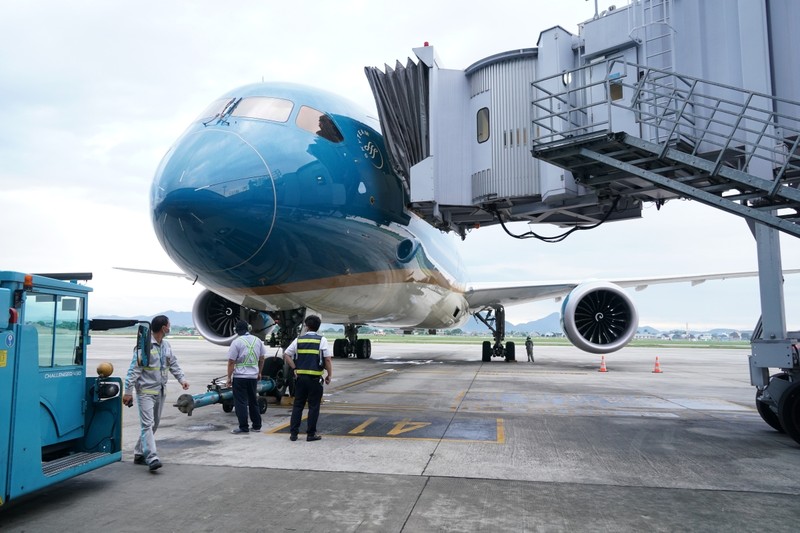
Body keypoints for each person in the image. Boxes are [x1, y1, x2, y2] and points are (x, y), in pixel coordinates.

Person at [123, 315, 190, 471]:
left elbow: (173, 364)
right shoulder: (144, 346)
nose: (170, 327)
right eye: (169, 325)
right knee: (147, 424)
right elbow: (134, 370)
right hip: (145, 392)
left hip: (160, 391)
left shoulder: (166, 345)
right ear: (163, 328)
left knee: (154, 425)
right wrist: (128, 391)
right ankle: (151, 457)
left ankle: (139, 453)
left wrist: (182, 379)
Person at [283, 315, 332, 441]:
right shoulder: (322, 340)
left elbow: (287, 354)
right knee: (313, 407)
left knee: (298, 406)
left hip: (300, 379)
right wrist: (329, 375)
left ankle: (293, 434)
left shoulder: (298, 340)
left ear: (306, 326)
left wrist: (294, 368)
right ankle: (311, 434)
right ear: (318, 327)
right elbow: (327, 359)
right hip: (315, 379)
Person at [226, 319, 266, 434]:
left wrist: (229, 378)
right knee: (253, 401)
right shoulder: (257, 340)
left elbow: (231, 361)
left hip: (240, 377)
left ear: (236, 330)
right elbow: (262, 358)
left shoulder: (237, 342)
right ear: (248, 329)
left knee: (241, 402)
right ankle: (257, 425)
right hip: (253, 377)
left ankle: (243, 427)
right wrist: (259, 372)